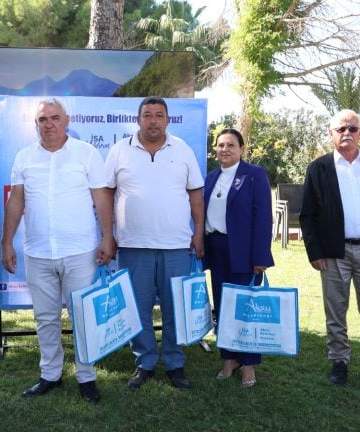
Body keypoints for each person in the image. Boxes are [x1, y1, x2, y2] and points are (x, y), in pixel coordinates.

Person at [1, 98, 115, 404]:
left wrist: (108, 237)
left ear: (66, 121)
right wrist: (5, 242)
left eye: (54, 118)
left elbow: (102, 198)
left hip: (79, 251)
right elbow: (15, 202)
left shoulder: (86, 153)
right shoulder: (24, 157)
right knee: (46, 318)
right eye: (42, 119)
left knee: (82, 316)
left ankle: (86, 376)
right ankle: (50, 374)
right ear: (35, 123)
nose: (48, 124)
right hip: (37, 252)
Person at [105, 96, 205, 391]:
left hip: (176, 245)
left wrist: (198, 233)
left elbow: (196, 196)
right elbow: (106, 195)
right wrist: (108, 235)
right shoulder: (119, 150)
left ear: (167, 120)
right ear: (138, 120)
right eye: (147, 115)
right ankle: (145, 362)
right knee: (138, 307)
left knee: (175, 308)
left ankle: (175, 362)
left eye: (159, 115)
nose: (153, 120)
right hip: (133, 245)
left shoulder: (183, 149)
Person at [299, 109, 360, 392]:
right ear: (331, 134)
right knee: (335, 310)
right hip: (333, 253)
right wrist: (315, 252)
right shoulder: (318, 168)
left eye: (352, 128)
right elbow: (308, 215)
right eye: (340, 129)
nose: (347, 133)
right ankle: (339, 361)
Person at [203, 128, 273, 388]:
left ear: (242, 149)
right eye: (220, 145)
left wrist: (260, 257)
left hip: (244, 252)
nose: (225, 149)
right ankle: (229, 359)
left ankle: (249, 365)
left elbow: (264, 219)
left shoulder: (254, 176)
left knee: (245, 309)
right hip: (217, 248)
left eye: (231, 145)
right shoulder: (211, 177)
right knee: (222, 307)